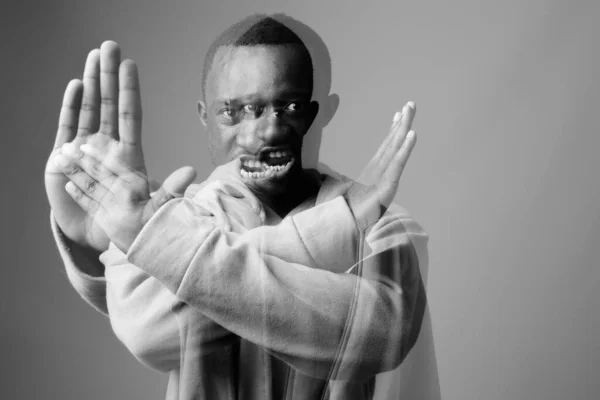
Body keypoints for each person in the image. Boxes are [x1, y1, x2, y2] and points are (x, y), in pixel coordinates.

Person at [45, 15, 434, 400]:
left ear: (321, 112)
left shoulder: (386, 227)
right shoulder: (170, 216)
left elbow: (375, 337)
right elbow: (150, 334)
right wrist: (337, 226)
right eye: (232, 111)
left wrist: (160, 250)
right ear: (205, 116)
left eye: (290, 106)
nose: (262, 132)